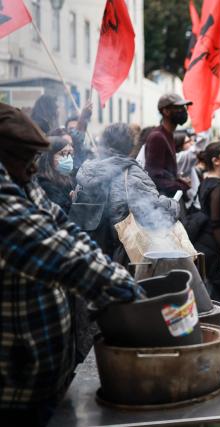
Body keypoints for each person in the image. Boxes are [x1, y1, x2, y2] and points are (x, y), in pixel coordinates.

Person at [0, 103, 145, 426]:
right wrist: (134, 299)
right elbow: (64, 256)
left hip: (47, 372)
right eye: (27, 160)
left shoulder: (20, 181)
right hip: (14, 386)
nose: (34, 168)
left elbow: (66, 231)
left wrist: (119, 275)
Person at [76, 123, 180, 263]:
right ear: (131, 146)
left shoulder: (88, 171)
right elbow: (153, 214)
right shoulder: (133, 173)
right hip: (121, 256)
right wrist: (173, 204)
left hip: (88, 251)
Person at [195, 142, 220, 301]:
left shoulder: (205, 181)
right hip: (213, 243)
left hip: (205, 240)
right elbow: (216, 221)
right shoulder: (217, 187)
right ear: (216, 161)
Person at [144, 94, 192, 197]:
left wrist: (179, 180)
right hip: (162, 203)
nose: (183, 111)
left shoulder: (168, 135)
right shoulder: (157, 137)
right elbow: (154, 178)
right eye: (179, 108)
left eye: (184, 107)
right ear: (166, 111)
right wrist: (182, 186)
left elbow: (165, 171)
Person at [36, 137, 75, 214]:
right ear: (48, 157)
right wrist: (72, 201)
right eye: (63, 154)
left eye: (69, 154)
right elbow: (60, 212)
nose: (69, 158)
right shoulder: (44, 183)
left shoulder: (66, 178)